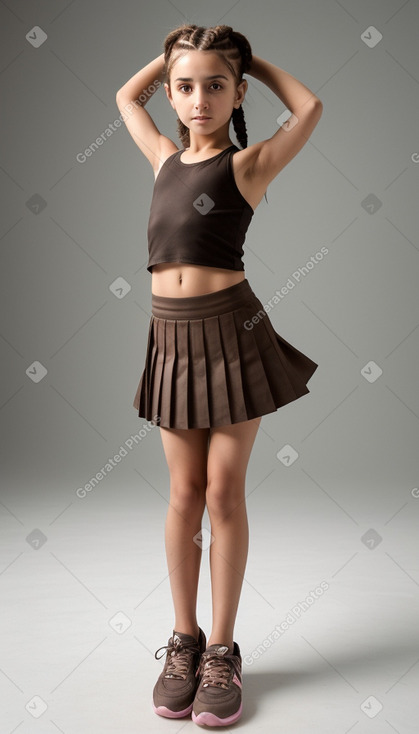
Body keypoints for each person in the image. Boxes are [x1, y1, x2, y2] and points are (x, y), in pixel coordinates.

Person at [116, 23, 323, 727]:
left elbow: (311, 107)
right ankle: (183, 640)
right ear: (171, 94)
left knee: (222, 492)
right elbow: (124, 97)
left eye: (214, 85)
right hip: (170, 339)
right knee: (181, 494)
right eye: (184, 86)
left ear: (235, 93)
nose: (197, 98)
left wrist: (248, 59)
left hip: (231, 334)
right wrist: (176, 52)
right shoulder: (162, 158)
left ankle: (223, 651)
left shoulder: (248, 165)